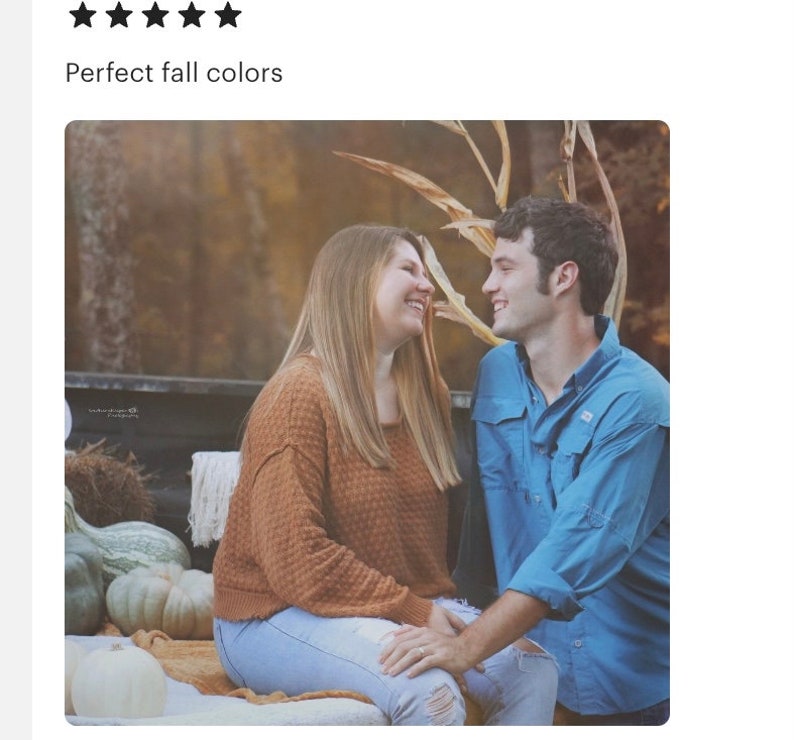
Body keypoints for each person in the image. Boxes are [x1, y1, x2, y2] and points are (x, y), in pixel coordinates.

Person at [211, 224, 559, 726]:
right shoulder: (298, 395)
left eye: (425, 273)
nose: (427, 285)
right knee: (430, 691)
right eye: (408, 269)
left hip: (390, 608)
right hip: (270, 617)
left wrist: (429, 612)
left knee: (533, 669)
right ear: (356, 280)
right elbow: (296, 560)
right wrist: (415, 614)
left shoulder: (426, 395)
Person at [380, 197, 670, 726]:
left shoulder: (638, 403)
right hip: (524, 666)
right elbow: (483, 528)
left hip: (634, 691)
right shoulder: (497, 375)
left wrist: (467, 647)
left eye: (505, 268)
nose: (488, 285)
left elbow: (571, 552)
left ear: (563, 278)